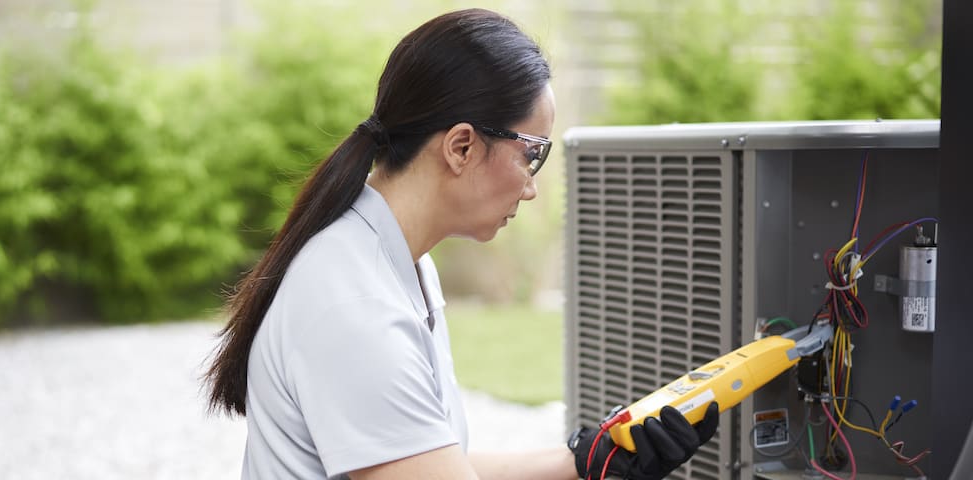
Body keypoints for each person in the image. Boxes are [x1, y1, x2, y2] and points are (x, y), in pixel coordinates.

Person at [204, 8, 718, 480]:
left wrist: (590, 459)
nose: (533, 186)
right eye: (532, 154)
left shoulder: (396, 263)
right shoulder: (357, 305)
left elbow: (429, 459)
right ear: (462, 146)